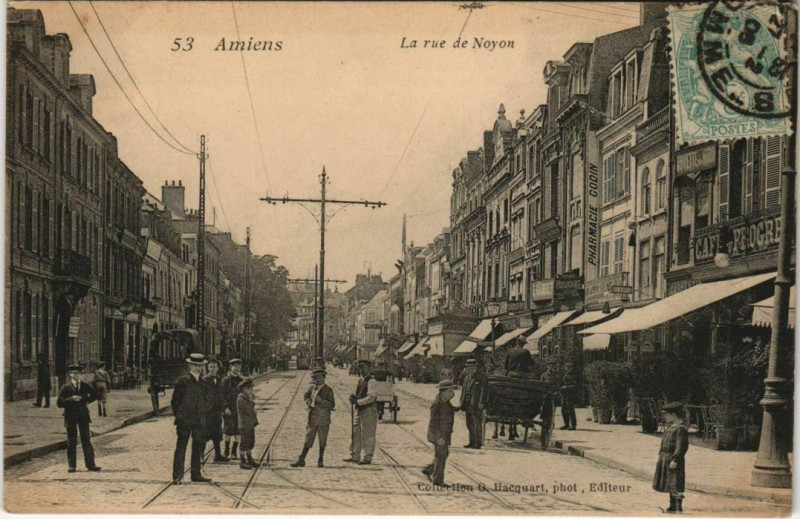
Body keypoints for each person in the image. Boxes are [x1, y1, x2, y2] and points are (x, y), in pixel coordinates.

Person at [171, 353, 211, 484]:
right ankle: (178, 476)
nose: (198, 368)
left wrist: (203, 412)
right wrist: (180, 415)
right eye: (195, 366)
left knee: (197, 446)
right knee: (181, 447)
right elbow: (175, 401)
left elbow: (207, 400)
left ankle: (196, 474)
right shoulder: (183, 381)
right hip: (185, 419)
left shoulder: (203, 382)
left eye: (200, 366)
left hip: (198, 419)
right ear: (190, 366)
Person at [57, 364, 102, 473]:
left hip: (83, 415)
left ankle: (91, 465)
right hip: (70, 416)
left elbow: (95, 395)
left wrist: (85, 400)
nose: (76, 375)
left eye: (78, 373)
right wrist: (71, 399)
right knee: (71, 441)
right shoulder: (65, 387)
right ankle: (72, 465)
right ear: (70, 374)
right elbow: (59, 403)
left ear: (80, 374)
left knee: (86, 440)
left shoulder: (85, 386)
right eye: (74, 373)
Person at [291, 368, 335, 468]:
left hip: (323, 418)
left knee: (322, 440)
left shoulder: (328, 390)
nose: (318, 379)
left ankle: (320, 459)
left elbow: (332, 404)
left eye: (320, 377)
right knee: (308, 438)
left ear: (324, 378)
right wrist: (308, 402)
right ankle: (301, 459)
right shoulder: (312, 388)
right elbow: (306, 396)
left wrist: (321, 401)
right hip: (312, 417)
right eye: (316, 378)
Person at [653, 401, 689, 513]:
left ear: (673, 415)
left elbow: (680, 447)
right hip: (665, 458)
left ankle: (678, 506)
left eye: (666, 415)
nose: (665, 417)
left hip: (673, 459)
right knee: (669, 482)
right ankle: (672, 505)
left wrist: (675, 459)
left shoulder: (680, 429)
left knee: (675, 482)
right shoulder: (670, 427)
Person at [423, 380, 457, 487]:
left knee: (443, 454)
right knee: (441, 454)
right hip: (438, 435)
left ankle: (430, 469)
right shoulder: (437, 404)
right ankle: (438, 480)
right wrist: (439, 437)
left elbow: (450, 410)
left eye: (452, 390)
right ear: (443, 391)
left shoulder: (445, 402)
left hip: (443, 434)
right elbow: (434, 423)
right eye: (450, 391)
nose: (452, 393)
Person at [344, 359, 378, 465]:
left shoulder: (372, 381)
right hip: (359, 410)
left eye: (364, 368)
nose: (362, 370)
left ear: (369, 369)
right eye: (360, 368)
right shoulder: (360, 380)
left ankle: (367, 457)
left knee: (367, 434)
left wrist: (358, 402)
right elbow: (360, 394)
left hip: (368, 410)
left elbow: (371, 397)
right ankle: (355, 455)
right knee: (356, 433)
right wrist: (353, 397)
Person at [203, 358, 229, 463]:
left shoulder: (219, 379)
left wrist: (224, 407)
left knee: (217, 433)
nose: (212, 369)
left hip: (216, 411)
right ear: (207, 368)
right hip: (207, 411)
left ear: (217, 368)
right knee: (205, 434)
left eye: (214, 367)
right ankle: (201, 456)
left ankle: (218, 455)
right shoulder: (204, 380)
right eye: (210, 367)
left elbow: (221, 395)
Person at [458, 357, 486, 449]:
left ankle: (478, 443)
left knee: (477, 424)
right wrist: (461, 401)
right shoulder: (466, 377)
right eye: (468, 367)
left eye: (472, 367)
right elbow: (464, 390)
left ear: (476, 367)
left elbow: (484, 390)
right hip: (467, 404)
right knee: (469, 424)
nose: (470, 368)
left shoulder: (481, 376)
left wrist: (481, 402)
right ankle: (472, 441)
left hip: (476, 404)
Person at [221, 358, 244, 460]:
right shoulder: (225, 380)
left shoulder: (242, 381)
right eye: (235, 366)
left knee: (238, 431)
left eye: (239, 366)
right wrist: (225, 407)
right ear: (231, 367)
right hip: (229, 409)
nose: (237, 368)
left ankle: (234, 451)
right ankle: (226, 451)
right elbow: (221, 396)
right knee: (228, 430)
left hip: (239, 410)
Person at [236, 378, 259, 469]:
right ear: (245, 389)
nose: (251, 391)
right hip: (244, 425)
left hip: (249, 424)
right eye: (250, 389)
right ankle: (242, 461)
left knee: (250, 442)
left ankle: (249, 459)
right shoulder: (240, 399)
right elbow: (248, 408)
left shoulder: (246, 398)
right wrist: (252, 401)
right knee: (244, 443)